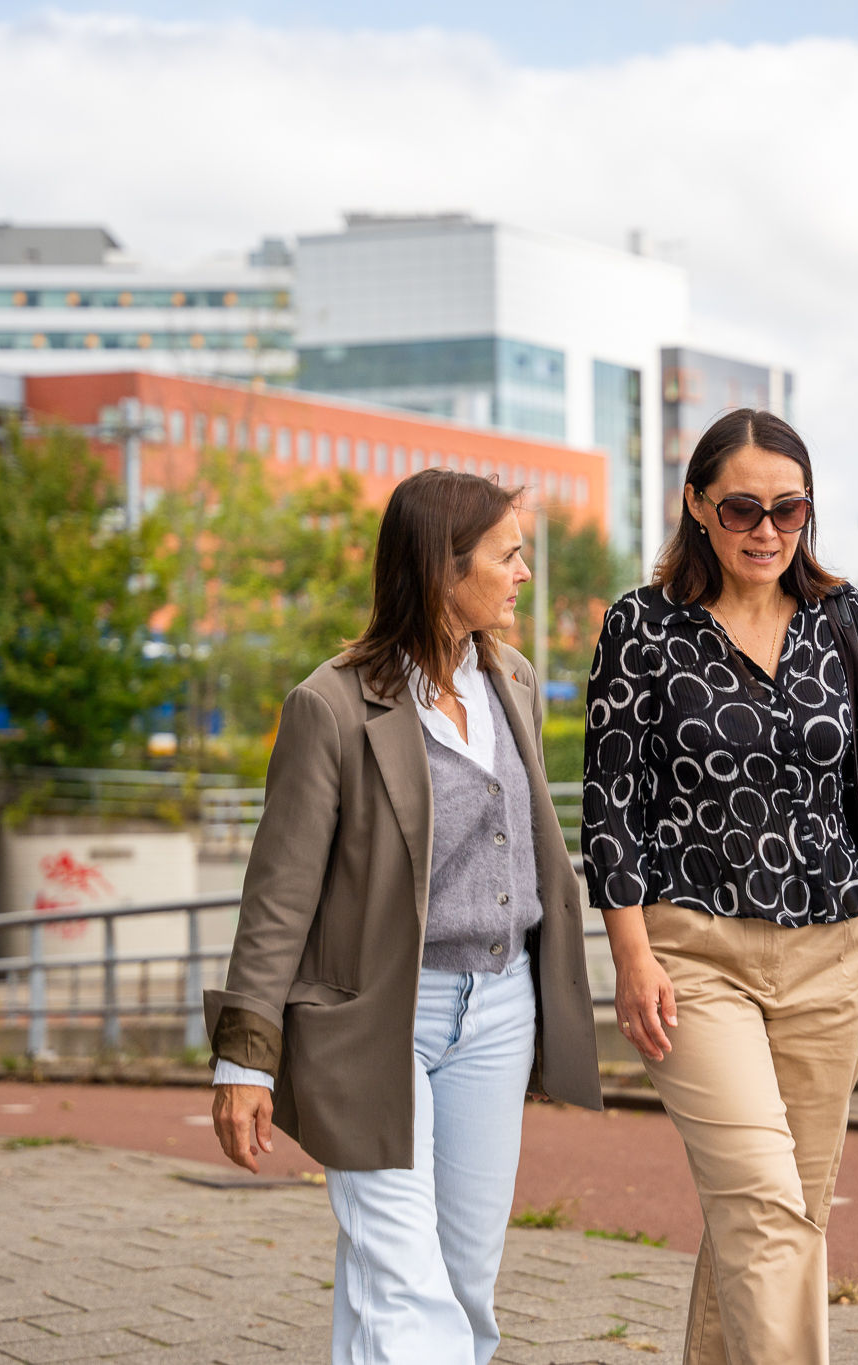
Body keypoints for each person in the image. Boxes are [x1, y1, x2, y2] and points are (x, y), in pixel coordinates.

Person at [583, 408, 858, 1364]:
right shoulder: (642, 627)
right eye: (742, 509)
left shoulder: (843, 618)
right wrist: (631, 954)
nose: (767, 531)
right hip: (694, 953)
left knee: (780, 1212)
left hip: (834, 951)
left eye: (789, 509)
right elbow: (611, 807)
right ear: (697, 505)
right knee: (766, 1208)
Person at [205, 469, 601, 1365]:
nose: (524, 573)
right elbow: (279, 895)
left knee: (461, 1282)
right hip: (377, 1017)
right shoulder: (331, 706)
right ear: (442, 568)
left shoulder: (513, 681)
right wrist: (245, 1059)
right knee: (404, 1282)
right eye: (507, 556)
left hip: (499, 1009)